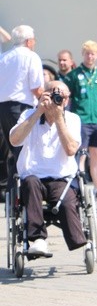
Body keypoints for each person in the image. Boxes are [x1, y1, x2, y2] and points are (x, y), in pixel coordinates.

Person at [9, 80, 86, 257]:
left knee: (67, 202)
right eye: (52, 94)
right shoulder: (29, 114)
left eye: (60, 96)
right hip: (32, 175)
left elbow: (71, 150)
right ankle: (38, 239)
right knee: (30, 184)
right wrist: (39, 111)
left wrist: (58, 118)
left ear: (66, 100)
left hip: (61, 177)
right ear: (44, 95)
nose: (56, 99)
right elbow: (14, 140)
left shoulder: (73, 119)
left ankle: (78, 240)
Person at [64, 40, 97, 201]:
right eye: (87, 53)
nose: (90, 56)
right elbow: (67, 97)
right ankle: (79, 187)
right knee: (81, 153)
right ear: (83, 55)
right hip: (81, 118)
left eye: (93, 54)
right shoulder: (74, 75)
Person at [0, 25, 44, 191]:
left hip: (3, 107)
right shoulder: (31, 57)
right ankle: (22, 190)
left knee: (14, 148)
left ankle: (14, 190)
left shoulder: (3, 57)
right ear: (29, 41)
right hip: (21, 107)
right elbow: (36, 88)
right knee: (24, 149)